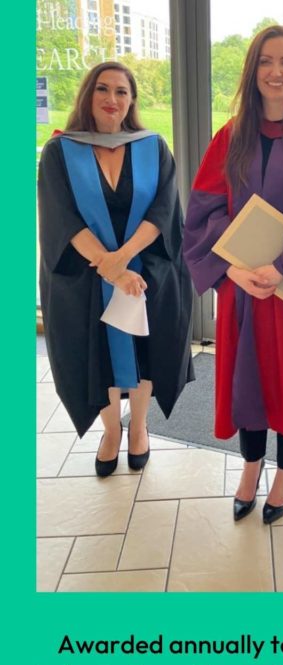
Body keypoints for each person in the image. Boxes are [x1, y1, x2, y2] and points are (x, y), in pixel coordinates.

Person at [184, 26, 283, 523]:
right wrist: (232, 266)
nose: (277, 72)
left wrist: (282, 267)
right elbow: (204, 208)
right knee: (246, 381)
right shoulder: (231, 135)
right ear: (253, 70)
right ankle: (251, 467)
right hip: (241, 287)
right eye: (267, 62)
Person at [38, 61, 194, 476]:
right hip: (85, 277)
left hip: (143, 272)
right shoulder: (59, 151)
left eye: (121, 91)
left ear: (132, 100)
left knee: (144, 352)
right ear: (88, 95)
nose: (112, 99)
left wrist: (122, 262)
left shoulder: (152, 147)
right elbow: (61, 218)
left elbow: (165, 210)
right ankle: (111, 431)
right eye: (102, 89)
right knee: (98, 358)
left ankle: (139, 428)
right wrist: (110, 269)